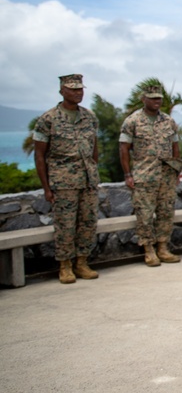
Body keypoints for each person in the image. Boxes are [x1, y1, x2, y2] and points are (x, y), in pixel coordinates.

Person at [33, 74, 101, 284]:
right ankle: (65, 265)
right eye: (73, 89)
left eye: (80, 89)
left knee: (88, 222)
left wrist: (93, 172)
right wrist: (47, 188)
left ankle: (82, 262)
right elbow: (39, 156)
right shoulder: (48, 119)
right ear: (62, 91)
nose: (78, 93)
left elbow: (94, 149)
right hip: (63, 182)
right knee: (65, 225)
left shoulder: (89, 117)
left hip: (88, 179)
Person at [119, 84, 182, 267]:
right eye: (153, 98)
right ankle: (149, 250)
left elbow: (175, 146)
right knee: (145, 214)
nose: (157, 101)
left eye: (159, 98)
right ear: (143, 99)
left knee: (166, 211)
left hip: (166, 175)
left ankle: (163, 247)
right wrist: (128, 174)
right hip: (144, 174)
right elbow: (123, 149)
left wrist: (176, 169)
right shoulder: (133, 121)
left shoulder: (168, 121)